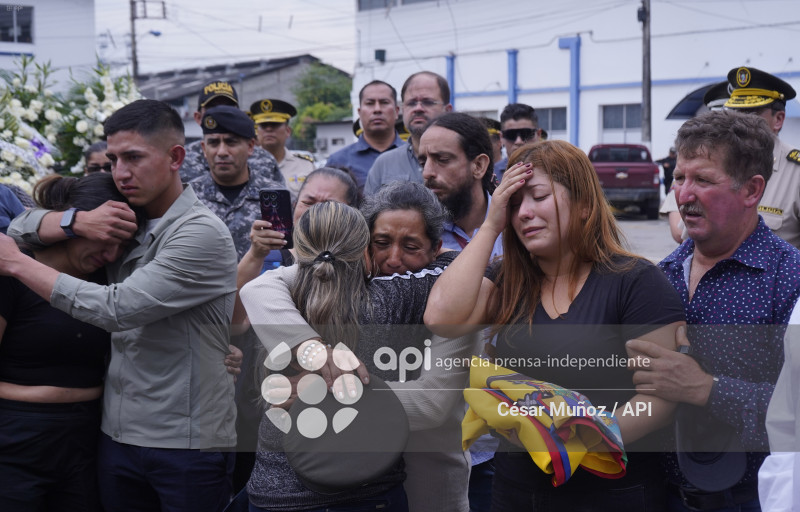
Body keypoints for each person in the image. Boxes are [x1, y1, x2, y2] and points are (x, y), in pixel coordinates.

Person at [4, 99, 239, 512]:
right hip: (115, 436)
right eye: (112, 159)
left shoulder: (199, 233)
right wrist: (74, 222)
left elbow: (118, 309)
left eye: (133, 158)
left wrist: (18, 264)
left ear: (175, 157)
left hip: (183, 443)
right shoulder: (130, 219)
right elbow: (19, 224)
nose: (120, 173)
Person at [423, 139, 686, 511]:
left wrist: (584, 439)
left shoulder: (636, 281)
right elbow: (441, 318)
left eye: (538, 196)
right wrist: (490, 225)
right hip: (518, 489)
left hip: (612, 491)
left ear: (583, 204)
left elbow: (660, 398)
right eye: (514, 203)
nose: (523, 213)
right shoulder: (507, 278)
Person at [239, 200, 471, 512]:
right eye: (381, 243)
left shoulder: (280, 301)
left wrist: (314, 373)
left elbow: (255, 288)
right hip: (366, 492)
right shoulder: (394, 298)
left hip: (273, 490)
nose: (392, 258)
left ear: (298, 250)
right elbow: (466, 270)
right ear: (364, 248)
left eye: (409, 245)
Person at [627, 110, 800, 511]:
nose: (684, 194)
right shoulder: (660, 275)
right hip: (658, 494)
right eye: (679, 177)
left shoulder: (789, 280)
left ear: (752, 190)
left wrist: (707, 390)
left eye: (702, 180)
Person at [0, 172, 133, 512]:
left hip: (89, 438)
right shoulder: (13, 269)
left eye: (122, 244)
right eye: (105, 238)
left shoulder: (111, 286)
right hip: (15, 435)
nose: (111, 252)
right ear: (78, 224)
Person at [189, 104, 286, 260]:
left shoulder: (275, 196)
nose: (221, 152)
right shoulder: (188, 197)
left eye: (231, 142)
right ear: (203, 148)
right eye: (213, 143)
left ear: (250, 147)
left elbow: (287, 256)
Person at [418, 112, 501, 260]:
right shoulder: (419, 234)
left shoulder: (515, 226)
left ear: (478, 165)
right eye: (423, 163)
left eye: (442, 159)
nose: (427, 172)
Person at [180, 79, 285, 187]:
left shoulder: (264, 160)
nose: (220, 114)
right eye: (213, 107)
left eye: (228, 107)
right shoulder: (182, 160)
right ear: (198, 117)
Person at [364, 71, 453, 195]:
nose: (418, 108)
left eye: (427, 102)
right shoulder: (384, 164)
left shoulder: (462, 160)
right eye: (411, 103)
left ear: (447, 110)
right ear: (402, 109)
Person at [326, 80, 403, 191]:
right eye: (370, 103)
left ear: (396, 111)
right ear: (359, 112)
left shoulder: (414, 156)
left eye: (384, 102)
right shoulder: (338, 161)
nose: (377, 109)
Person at [250, 98, 315, 200]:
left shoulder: (306, 166)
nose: (269, 129)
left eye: (275, 124)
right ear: (257, 132)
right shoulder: (245, 165)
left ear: (288, 131)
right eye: (263, 125)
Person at [493, 103, 540, 180]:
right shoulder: (489, 176)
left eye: (526, 133)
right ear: (501, 137)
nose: (519, 141)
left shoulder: (555, 170)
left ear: (538, 134)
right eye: (511, 134)